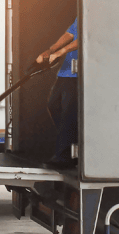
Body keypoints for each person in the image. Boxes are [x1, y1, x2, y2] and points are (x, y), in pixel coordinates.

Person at [36, 18, 80, 168]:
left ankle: (64, 157)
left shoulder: (95, 11)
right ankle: (73, 142)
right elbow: (69, 35)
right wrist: (51, 50)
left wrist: (61, 52)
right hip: (67, 72)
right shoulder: (81, 13)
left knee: (68, 113)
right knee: (53, 105)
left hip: (79, 73)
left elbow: (85, 39)